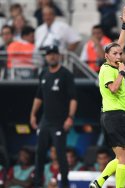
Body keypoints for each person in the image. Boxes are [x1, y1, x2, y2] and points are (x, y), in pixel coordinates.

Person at [89, 6, 125, 188]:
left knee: (121, 157)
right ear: (106, 56)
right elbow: (113, 89)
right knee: (124, 158)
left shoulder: (113, 65)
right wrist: (121, 74)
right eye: (114, 54)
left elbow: (119, 44)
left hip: (112, 115)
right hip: (113, 115)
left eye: (120, 53)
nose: (119, 55)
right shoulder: (107, 69)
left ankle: (98, 182)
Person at [30, 45, 77, 188]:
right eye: (49, 54)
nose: (52, 56)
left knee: (60, 154)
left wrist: (70, 117)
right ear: (46, 57)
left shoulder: (65, 74)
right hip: (45, 119)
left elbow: (73, 98)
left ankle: (64, 184)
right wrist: (32, 114)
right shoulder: (43, 73)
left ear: (59, 56)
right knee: (40, 152)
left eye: (54, 54)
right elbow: (39, 96)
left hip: (59, 121)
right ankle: (38, 184)